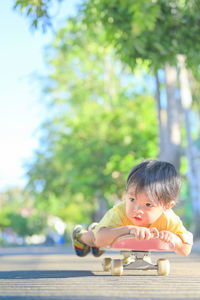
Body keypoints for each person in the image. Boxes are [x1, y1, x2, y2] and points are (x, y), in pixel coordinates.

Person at [72, 159, 193, 257]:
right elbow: (99, 240)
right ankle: (80, 235)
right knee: (93, 238)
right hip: (111, 230)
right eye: (132, 199)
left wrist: (174, 240)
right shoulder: (120, 212)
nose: (137, 209)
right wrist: (129, 229)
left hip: (116, 232)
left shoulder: (168, 219)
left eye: (148, 205)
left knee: (101, 235)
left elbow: (186, 249)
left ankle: (97, 227)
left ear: (167, 206)